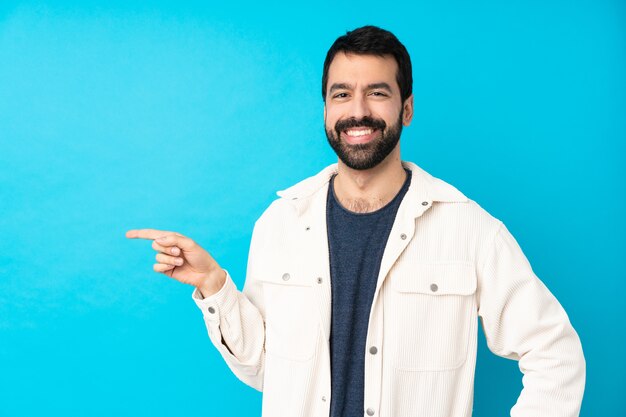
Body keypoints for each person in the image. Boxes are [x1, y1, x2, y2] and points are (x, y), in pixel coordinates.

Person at [126, 25, 585, 417]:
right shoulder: (281, 221)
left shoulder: (469, 229)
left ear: (406, 108)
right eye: (342, 94)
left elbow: (556, 354)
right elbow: (267, 370)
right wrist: (213, 284)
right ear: (326, 109)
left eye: (378, 92)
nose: (358, 110)